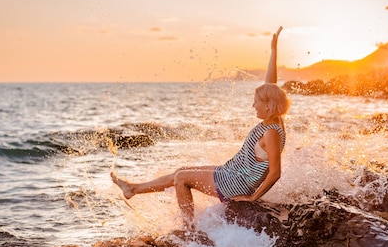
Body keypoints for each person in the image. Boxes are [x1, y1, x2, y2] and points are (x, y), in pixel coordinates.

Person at [111, 26, 291, 227]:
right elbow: (271, 86)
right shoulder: (275, 120)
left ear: (268, 104)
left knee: (181, 178)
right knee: (182, 170)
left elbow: (275, 172)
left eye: (256, 101)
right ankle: (133, 189)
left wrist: (253, 198)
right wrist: (273, 51)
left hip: (236, 183)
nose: (253, 105)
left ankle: (189, 230)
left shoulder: (271, 133)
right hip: (232, 173)